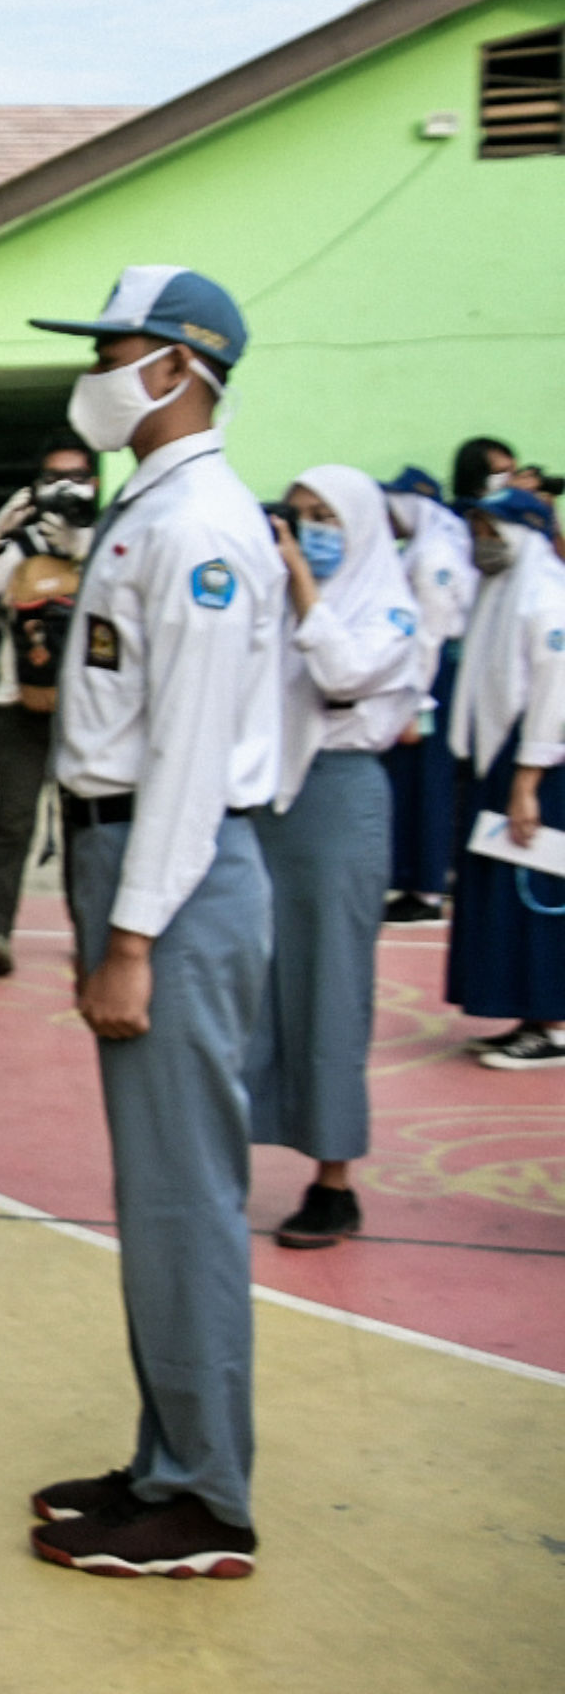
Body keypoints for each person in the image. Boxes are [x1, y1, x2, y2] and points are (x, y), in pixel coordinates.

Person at [23, 266, 280, 1581]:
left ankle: (207, 1502)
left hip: (169, 881)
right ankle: (167, 1459)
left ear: (180, 367)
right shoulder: (157, 506)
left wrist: (129, 940)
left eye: (115, 348)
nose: (99, 368)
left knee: (183, 1199)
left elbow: (185, 761)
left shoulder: (202, 530)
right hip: (135, 863)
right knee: (161, 1191)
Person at [251, 468, 420, 1250]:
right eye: (300, 514)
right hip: (266, 804)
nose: (310, 529)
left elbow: (344, 673)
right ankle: (236, 1148)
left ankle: (333, 1182)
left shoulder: (389, 608)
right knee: (252, 984)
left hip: (339, 803)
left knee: (329, 988)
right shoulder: (281, 604)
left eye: (327, 518)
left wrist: (298, 587)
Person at [0, 437, 101, 975]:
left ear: (96, 483)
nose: (67, 490)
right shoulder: (20, 545)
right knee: (12, 823)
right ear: (36, 489)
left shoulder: (110, 545)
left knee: (88, 825)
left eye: (77, 478)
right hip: (20, 706)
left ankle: (94, 935)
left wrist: (84, 546)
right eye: (54, 480)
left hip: (91, 715)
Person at [443, 486, 565, 1071]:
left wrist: (526, 783)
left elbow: (552, 697)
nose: (481, 542)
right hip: (500, 763)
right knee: (503, 894)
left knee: (537, 895)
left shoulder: (546, 597)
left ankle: (555, 1023)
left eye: (492, 529)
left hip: (536, 769)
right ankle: (528, 1013)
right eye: (477, 529)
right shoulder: (500, 592)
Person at [380, 467, 477, 923]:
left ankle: (427, 886)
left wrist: (417, 702)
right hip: (423, 673)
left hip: (433, 677)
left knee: (430, 779)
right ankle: (414, 879)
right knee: (415, 777)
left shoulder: (434, 555)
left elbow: (430, 633)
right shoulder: (423, 548)